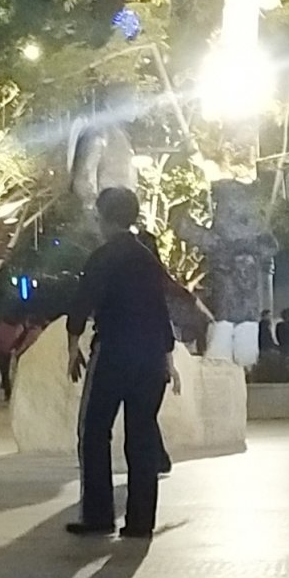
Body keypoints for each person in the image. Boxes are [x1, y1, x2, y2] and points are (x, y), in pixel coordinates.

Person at [64, 186, 178, 539]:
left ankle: (98, 516)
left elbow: (82, 302)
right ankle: (140, 522)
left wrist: (73, 344)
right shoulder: (147, 257)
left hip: (114, 352)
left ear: (103, 217)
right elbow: (160, 309)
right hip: (151, 356)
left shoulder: (103, 257)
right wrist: (167, 355)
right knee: (141, 435)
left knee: (94, 432)